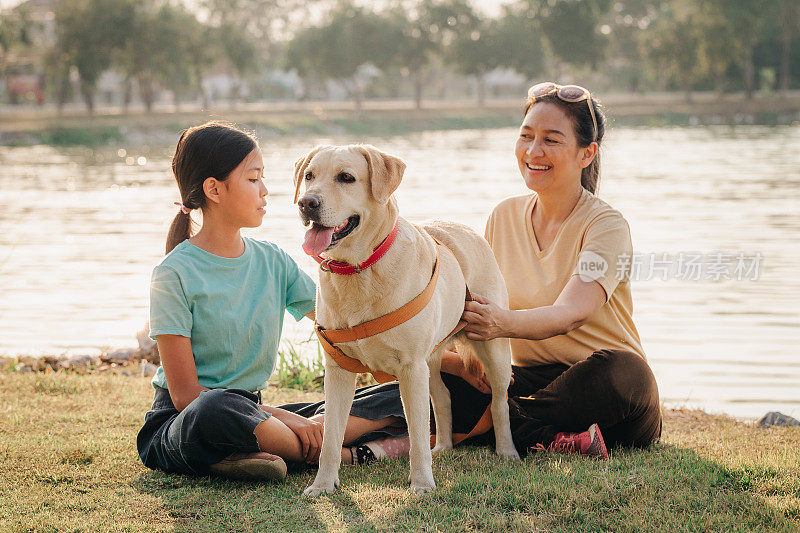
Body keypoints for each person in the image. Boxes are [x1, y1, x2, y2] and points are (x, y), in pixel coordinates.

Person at [136, 122, 410, 482]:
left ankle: (249, 453)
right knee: (217, 408)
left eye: (263, 178)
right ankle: (338, 454)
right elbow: (186, 397)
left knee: (394, 395)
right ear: (214, 189)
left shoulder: (273, 261)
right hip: (184, 423)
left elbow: (340, 323)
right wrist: (292, 420)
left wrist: (445, 359)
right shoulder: (172, 274)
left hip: (257, 414)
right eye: (253, 180)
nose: (266, 191)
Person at [439, 83, 661, 459]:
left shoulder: (606, 226)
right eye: (526, 136)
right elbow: (477, 305)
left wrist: (500, 324)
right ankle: (543, 435)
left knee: (625, 371)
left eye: (552, 140)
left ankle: (497, 426)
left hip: (603, 387)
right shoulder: (503, 216)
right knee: (449, 373)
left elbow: (569, 314)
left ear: (586, 153)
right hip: (529, 379)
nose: (533, 151)